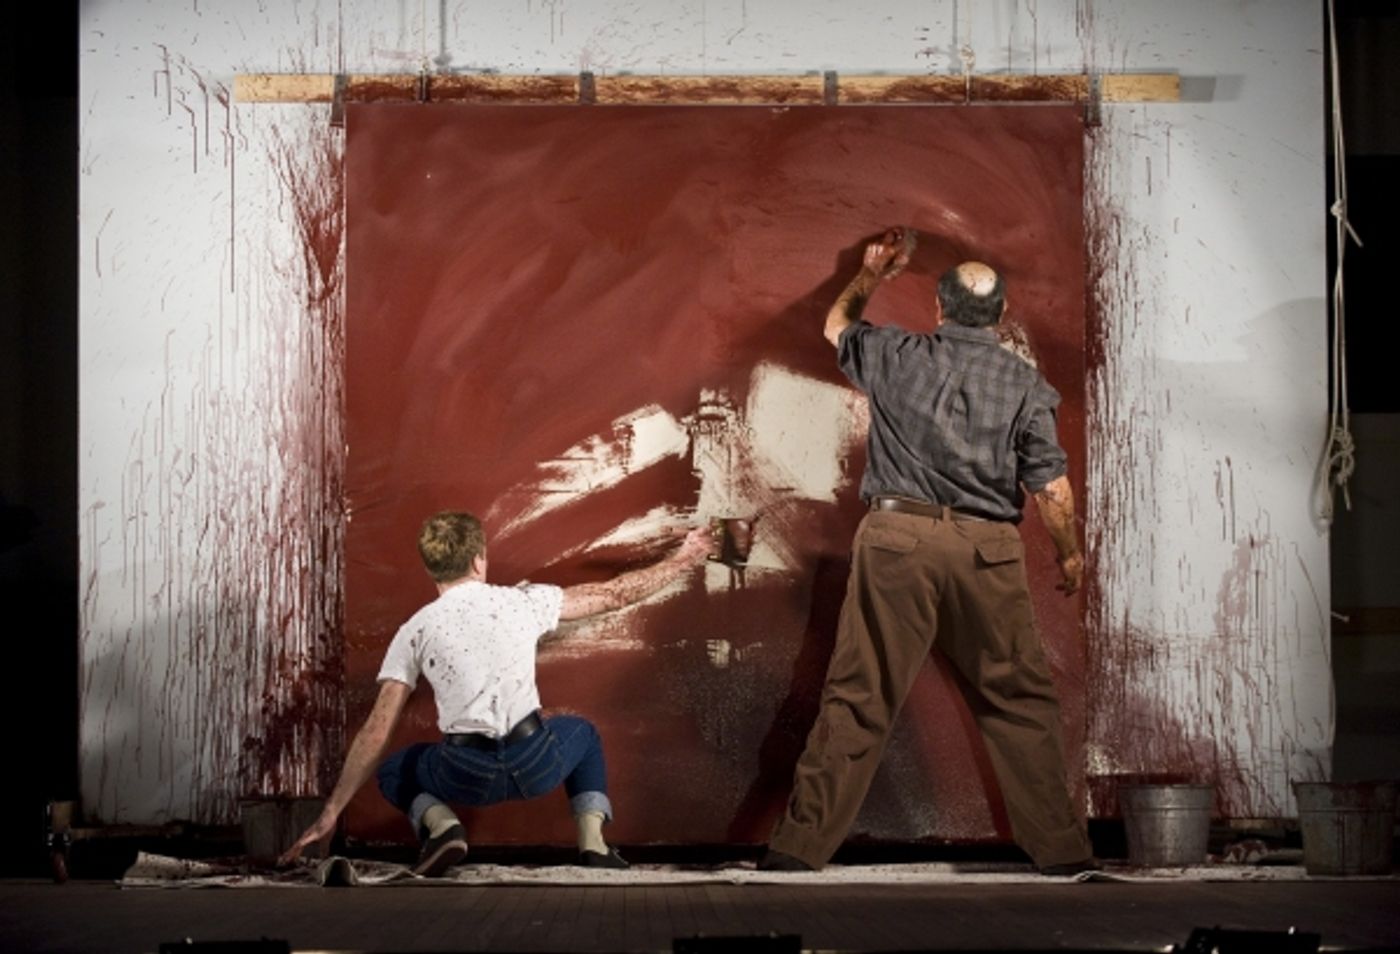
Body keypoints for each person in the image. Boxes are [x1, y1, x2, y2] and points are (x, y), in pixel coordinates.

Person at [759, 230, 1097, 876]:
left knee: (859, 696)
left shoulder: (894, 354)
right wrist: (1071, 557)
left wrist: (871, 274)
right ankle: (1062, 854)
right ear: (1000, 316)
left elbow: (837, 324)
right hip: (986, 554)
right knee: (1020, 703)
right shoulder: (1026, 386)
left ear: (939, 310)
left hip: (897, 541)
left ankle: (797, 851)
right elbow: (1051, 488)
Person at [280, 511, 714, 875]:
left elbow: (376, 731)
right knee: (582, 733)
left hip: (466, 775)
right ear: (478, 559)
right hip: (536, 762)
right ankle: (593, 845)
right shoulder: (523, 602)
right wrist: (689, 555)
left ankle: (444, 825)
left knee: (394, 768)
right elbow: (615, 593)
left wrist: (332, 812)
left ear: (430, 568)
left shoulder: (416, 629)